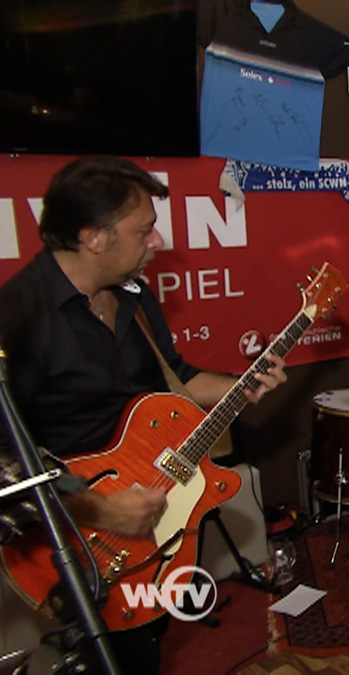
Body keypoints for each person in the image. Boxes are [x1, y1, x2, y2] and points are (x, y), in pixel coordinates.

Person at [0, 155, 289, 674]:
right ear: (93, 237)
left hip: (155, 520)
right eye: (144, 229)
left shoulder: (133, 295)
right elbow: (6, 463)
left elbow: (176, 375)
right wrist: (100, 510)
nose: (157, 241)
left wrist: (240, 386)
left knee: (145, 649)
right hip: (77, 539)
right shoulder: (17, 317)